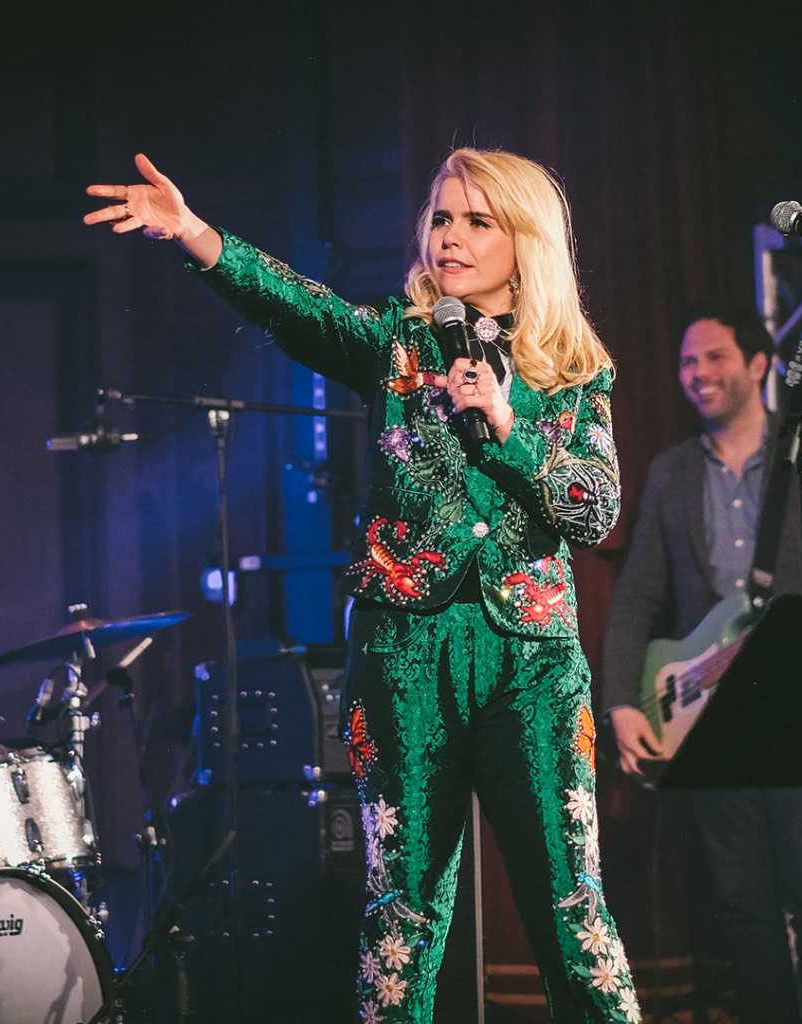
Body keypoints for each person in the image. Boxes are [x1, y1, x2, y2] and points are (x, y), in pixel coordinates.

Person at [85, 149, 641, 1024]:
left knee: (573, 911)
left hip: (531, 662)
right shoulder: (397, 340)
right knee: (404, 916)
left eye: (477, 221)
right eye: (442, 216)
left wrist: (508, 426)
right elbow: (299, 307)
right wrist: (196, 234)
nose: (450, 236)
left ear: (526, 239)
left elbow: (598, 508)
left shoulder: (573, 369)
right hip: (404, 653)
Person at [601, 301, 802, 1024]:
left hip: (801, 711)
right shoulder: (669, 474)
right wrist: (625, 702)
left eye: (715, 357)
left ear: (758, 364)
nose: (698, 374)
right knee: (741, 907)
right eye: (688, 362)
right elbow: (636, 597)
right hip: (706, 719)